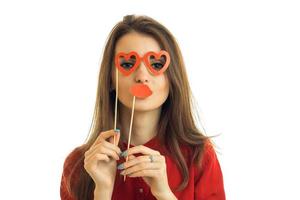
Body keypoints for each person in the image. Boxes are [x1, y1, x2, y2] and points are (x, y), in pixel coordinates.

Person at [60, 14, 226, 200]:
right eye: (128, 64)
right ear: (110, 79)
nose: (142, 76)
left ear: (172, 79)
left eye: (156, 64)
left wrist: (164, 194)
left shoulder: (200, 156)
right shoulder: (79, 164)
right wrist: (102, 191)